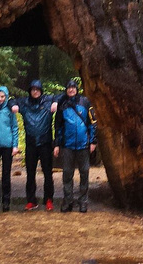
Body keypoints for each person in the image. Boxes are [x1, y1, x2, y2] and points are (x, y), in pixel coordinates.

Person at [12, 79, 59, 211]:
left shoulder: (48, 100)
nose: (35, 92)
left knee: (47, 173)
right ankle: (31, 200)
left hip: (45, 143)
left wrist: (55, 102)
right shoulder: (25, 102)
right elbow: (11, 101)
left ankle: (48, 199)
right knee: (30, 173)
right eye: (33, 89)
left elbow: (61, 96)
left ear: (41, 91)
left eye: (37, 89)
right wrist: (13, 105)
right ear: (30, 91)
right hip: (31, 143)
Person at [53, 78, 96, 212]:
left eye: (73, 87)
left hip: (83, 145)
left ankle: (83, 201)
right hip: (68, 145)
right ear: (66, 90)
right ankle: (68, 201)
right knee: (67, 174)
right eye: (68, 88)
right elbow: (58, 126)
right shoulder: (62, 105)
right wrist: (57, 144)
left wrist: (93, 141)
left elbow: (93, 122)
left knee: (84, 173)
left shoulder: (85, 102)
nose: (71, 90)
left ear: (77, 89)